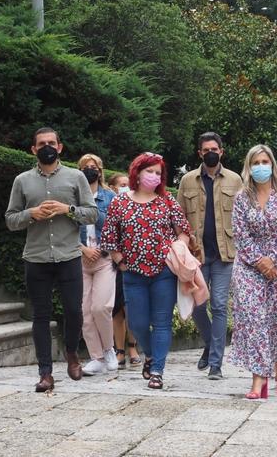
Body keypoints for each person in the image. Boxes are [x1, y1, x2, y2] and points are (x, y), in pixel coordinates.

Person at [5, 127, 98, 392]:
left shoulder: (76, 177)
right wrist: (31, 213)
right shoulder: (22, 181)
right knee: (41, 316)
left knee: (73, 311)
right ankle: (45, 372)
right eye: (41, 143)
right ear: (33, 150)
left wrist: (66, 210)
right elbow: (11, 219)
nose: (47, 147)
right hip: (36, 258)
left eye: (51, 143)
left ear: (60, 147)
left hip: (69, 255)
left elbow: (92, 214)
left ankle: (71, 353)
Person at [101, 152, 191, 390]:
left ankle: (157, 371)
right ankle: (150, 354)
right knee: (138, 324)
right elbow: (110, 237)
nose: (154, 176)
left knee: (162, 322)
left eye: (158, 172)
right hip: (132, 273)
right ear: (137, 173)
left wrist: (180, 246)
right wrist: (119, 260)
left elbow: (183, 229)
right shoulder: (120, 202)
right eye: (149, 171)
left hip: (164, 271)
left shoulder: (167, 200)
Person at [227, 144, 277, 399]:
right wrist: (259, 261)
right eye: (255, 163)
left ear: (273, 165)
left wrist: (274, 259)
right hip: (248, 266)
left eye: (264, 162)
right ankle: (259, 379)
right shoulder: (241, 198)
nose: (260, 167)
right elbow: (240, 234)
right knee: (255, 319)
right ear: (248, 167)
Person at [177, 132, 243, 379]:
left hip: (226, 255)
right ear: (200, 153)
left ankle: (216, 363)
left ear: (222, 151)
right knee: (196, 304)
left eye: (214, 148)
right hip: (197, 255)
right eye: (206, 150)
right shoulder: (187, 180)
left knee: (218, 305)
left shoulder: (236, 180)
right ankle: (209, 343)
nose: (210, 153)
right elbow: (179, 218)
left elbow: (243, 217)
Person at [77, 154, 118, 376]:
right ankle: (97, 357)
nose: (90, 170)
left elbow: (113, 227)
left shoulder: (110, 197)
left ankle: (109, 349)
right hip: (81, 258)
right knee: (84, 311)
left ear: (100, 171)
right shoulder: (72, 196)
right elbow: (67, 228)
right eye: (86, 167)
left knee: (100, 307)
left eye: (94, 167)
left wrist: (102, 249)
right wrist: (83, 249)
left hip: (104, 258)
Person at [107, 173, 141, 369]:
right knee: (116, 309)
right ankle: (119, 351)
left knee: (132, 308)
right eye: (121, 185)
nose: (125, 188)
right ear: (112, 187)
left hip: (132, 261)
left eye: (128, 185)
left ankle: (133, 347)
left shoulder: (135, 204)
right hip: (112, 262)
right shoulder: (110, 205)